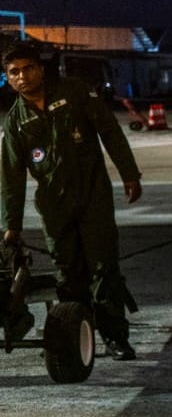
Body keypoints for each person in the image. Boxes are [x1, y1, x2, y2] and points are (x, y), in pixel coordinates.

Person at [0, 45, 142, 360]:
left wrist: (129, 174)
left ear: (39, 68)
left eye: (27, 68)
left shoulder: (75, 93)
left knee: (103, 268)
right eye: (14, 72)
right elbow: (11, 177)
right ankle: (74, 336)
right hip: (54, 207)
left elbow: (110, 131)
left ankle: (115, 336)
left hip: (93, 197)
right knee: (68, 274)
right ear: (8, 79)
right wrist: (11, 225)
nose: (22, 76)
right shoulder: (15, 123)